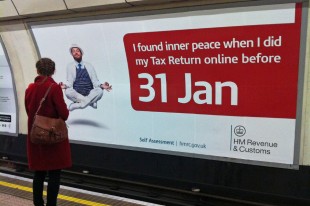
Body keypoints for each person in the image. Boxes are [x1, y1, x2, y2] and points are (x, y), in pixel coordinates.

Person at [25, 58, 72, 206]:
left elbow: (29, 111)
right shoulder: (54, 88)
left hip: (37, 136)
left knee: (39, 172)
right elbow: (64, 114)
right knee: (54, 173)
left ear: (37, 70)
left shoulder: (30, 88)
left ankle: (38, 203)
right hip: (53, 137)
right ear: (53, 71)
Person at [60, 45, 112, 111]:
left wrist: (102, 85)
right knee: (67, 92)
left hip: (89, 92)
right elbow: (69, 82)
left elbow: (95, 81)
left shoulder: (89, 66)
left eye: (78, 51)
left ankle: (79, 105)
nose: (76, 52)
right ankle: (91, 102)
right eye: (73, 51)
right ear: (72, 54)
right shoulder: (69, 66)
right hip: (77, 93)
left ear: (81, 53)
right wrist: (65, 86)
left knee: (100, 91)